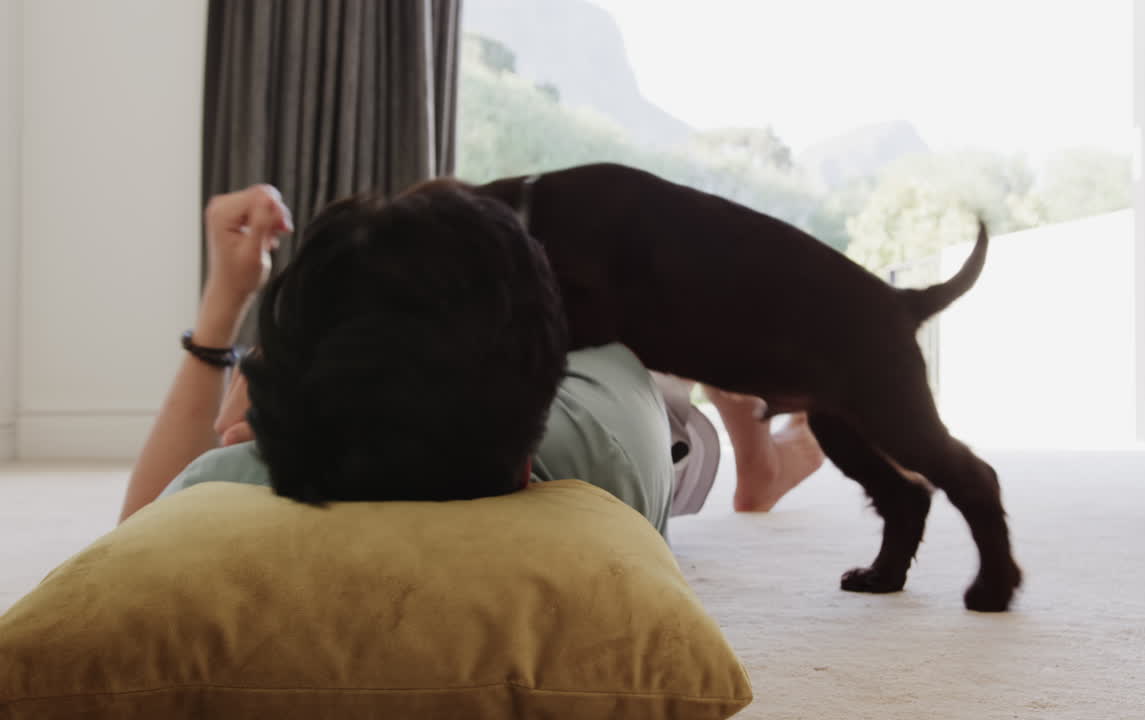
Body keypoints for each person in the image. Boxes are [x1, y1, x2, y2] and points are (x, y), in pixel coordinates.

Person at [119, 181, 825, 530]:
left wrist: (223, 307)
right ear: (526, 462)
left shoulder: (248, 474)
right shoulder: (593, 478)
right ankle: (763, 450)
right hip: (635, 377)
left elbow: (136, 545)